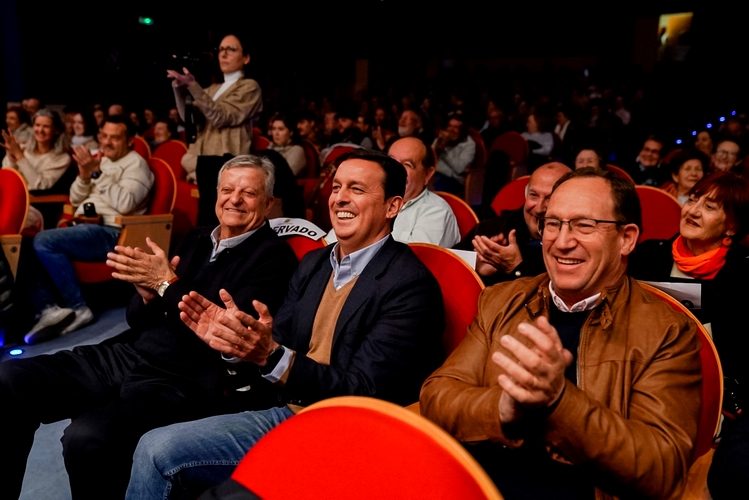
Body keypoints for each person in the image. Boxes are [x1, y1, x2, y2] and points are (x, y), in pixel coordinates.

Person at [124, 149, 445, 500]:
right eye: (337, 187)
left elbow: (364, 393)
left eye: (356, 189)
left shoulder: (409, 285)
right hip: (288, 413)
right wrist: (235, 344)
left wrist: (270, 355)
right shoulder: (314, 263)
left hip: (348, 434)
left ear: (392, 206)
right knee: (153, 447)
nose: (340, 198)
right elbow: (275, 343)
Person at [0, 154, 297, 499]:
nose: (235, 199)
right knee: (9, 379)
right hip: (130, 353)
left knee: (87, 438)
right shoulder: (197, 237)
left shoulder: (275, 257)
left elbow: (220, 334)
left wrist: (167, 285)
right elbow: (139, 319)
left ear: (268, 203)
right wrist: (148, 298)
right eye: (227, 190)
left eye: (248, 193)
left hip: (184, 378)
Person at [422, 167, 702, 499]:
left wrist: (559, 401)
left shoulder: (667, 331)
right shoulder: (501, 300)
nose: (562, 242)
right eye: (553, 223)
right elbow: (436, 397)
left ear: (626, 239)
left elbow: (662, 471)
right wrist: (504, 408)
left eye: (584, 225)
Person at [626, 172, 749, 499]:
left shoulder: (743, 274)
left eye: (710, 207)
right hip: (640, 383)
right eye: (693, 199)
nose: (693, 210)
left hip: (712, 402)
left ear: (731, 227)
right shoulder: (649, 255)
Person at [22, 115, 153, 344]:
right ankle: (48, 309)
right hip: (86, 226)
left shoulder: (137, 165)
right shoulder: (102, 160)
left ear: (130, 140)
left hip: (114, 231)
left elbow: (125, 203)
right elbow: (75, 198)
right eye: (104, 136)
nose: (107, 142)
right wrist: (84, 177)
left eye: (115, 138)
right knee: (27, 241)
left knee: (44, 241)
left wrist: (96, 174)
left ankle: (77, 307)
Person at [169, 32, 263, 226]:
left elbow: (221, 117)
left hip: (230, 161)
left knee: (224, 219)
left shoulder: (250, 87)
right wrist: (179, 87)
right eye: (220, 49)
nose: (223, 54)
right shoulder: (212, 89)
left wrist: (193, 86)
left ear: (246, 58)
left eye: (231, 49)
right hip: (206, 160)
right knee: (206, 219)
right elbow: (189, 118)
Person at [324, 139, 460, 247]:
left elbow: (412, 264)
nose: (395, 172)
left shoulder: (436, 211)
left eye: (407, 164)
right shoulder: (369, 200)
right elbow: (329, 245)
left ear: (427, 174)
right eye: (390, 162)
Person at [456, 162, 571, 285]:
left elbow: (560, 295)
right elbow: (446, 265)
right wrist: (474, 266)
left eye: (550, 198)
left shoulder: (572, 245)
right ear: (526, 195)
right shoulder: (489, 231)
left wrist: (516, 267)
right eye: (534, 195)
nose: (539, 208)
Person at [432, 114, 476, 196]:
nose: (451, 130)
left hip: (453, 179)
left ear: (462, 131)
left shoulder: (469, 144)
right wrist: (438, 145)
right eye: (449, 126)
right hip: (434, 174)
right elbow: (429, 159)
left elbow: (459, 168)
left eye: (456, 127)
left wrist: (444, 149)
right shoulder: (441, 139)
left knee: (439, 182)